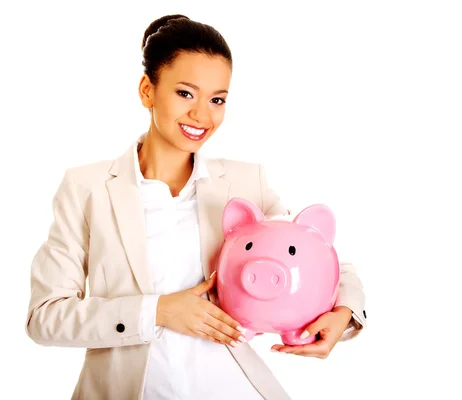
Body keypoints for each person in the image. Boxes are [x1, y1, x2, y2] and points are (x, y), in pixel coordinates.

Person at [25, 14, 367, 400]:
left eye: (217, 99)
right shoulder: (87, 187)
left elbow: (324, 258)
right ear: (147, 90)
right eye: (185, 93)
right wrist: (157, 311)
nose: (203, 116)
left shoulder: (244, 184)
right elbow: (45, 318)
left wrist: (345, 314)